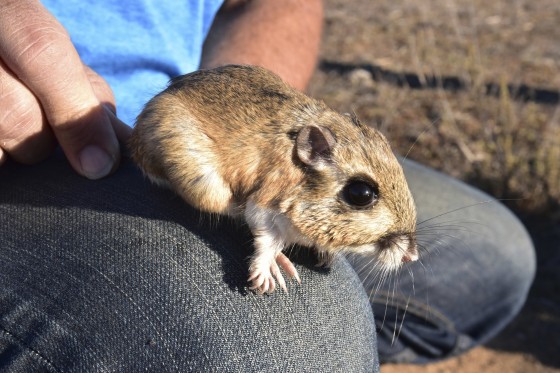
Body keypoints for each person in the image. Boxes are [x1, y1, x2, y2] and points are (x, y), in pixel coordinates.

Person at [0, 0, 535, 371]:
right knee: (294, 344)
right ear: (311, 156)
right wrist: (268, 245)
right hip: (44, 143)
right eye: (360, 194)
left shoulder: (315, 154)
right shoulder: (285, 183)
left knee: (492, 259)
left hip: (218, 91)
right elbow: (264, 206)